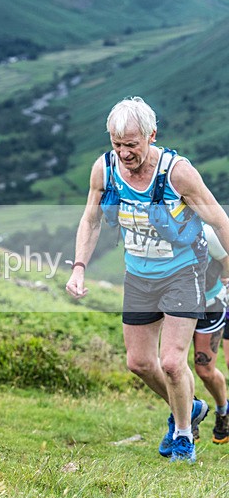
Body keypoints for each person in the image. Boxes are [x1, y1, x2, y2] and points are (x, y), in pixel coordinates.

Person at [66, 96, 229, 463]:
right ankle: (191, 405)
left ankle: (183, 435)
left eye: (131, 144)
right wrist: (79, 267)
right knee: (139, 363)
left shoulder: (177, 173)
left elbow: (219, 220)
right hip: (139, 276)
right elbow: (90, 219)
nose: (124, 153)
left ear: (151, 135)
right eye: (117, 144)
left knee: (172, 362)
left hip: (183, 272)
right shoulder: (104, 169)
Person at [192, 224, 229, 444]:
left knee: (205, 370)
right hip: (174, 304)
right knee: (172, 364)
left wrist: (222, 280)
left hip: (210, 304)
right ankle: (186, 416)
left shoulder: (206, 233)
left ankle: (223, 410)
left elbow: (226, 261)